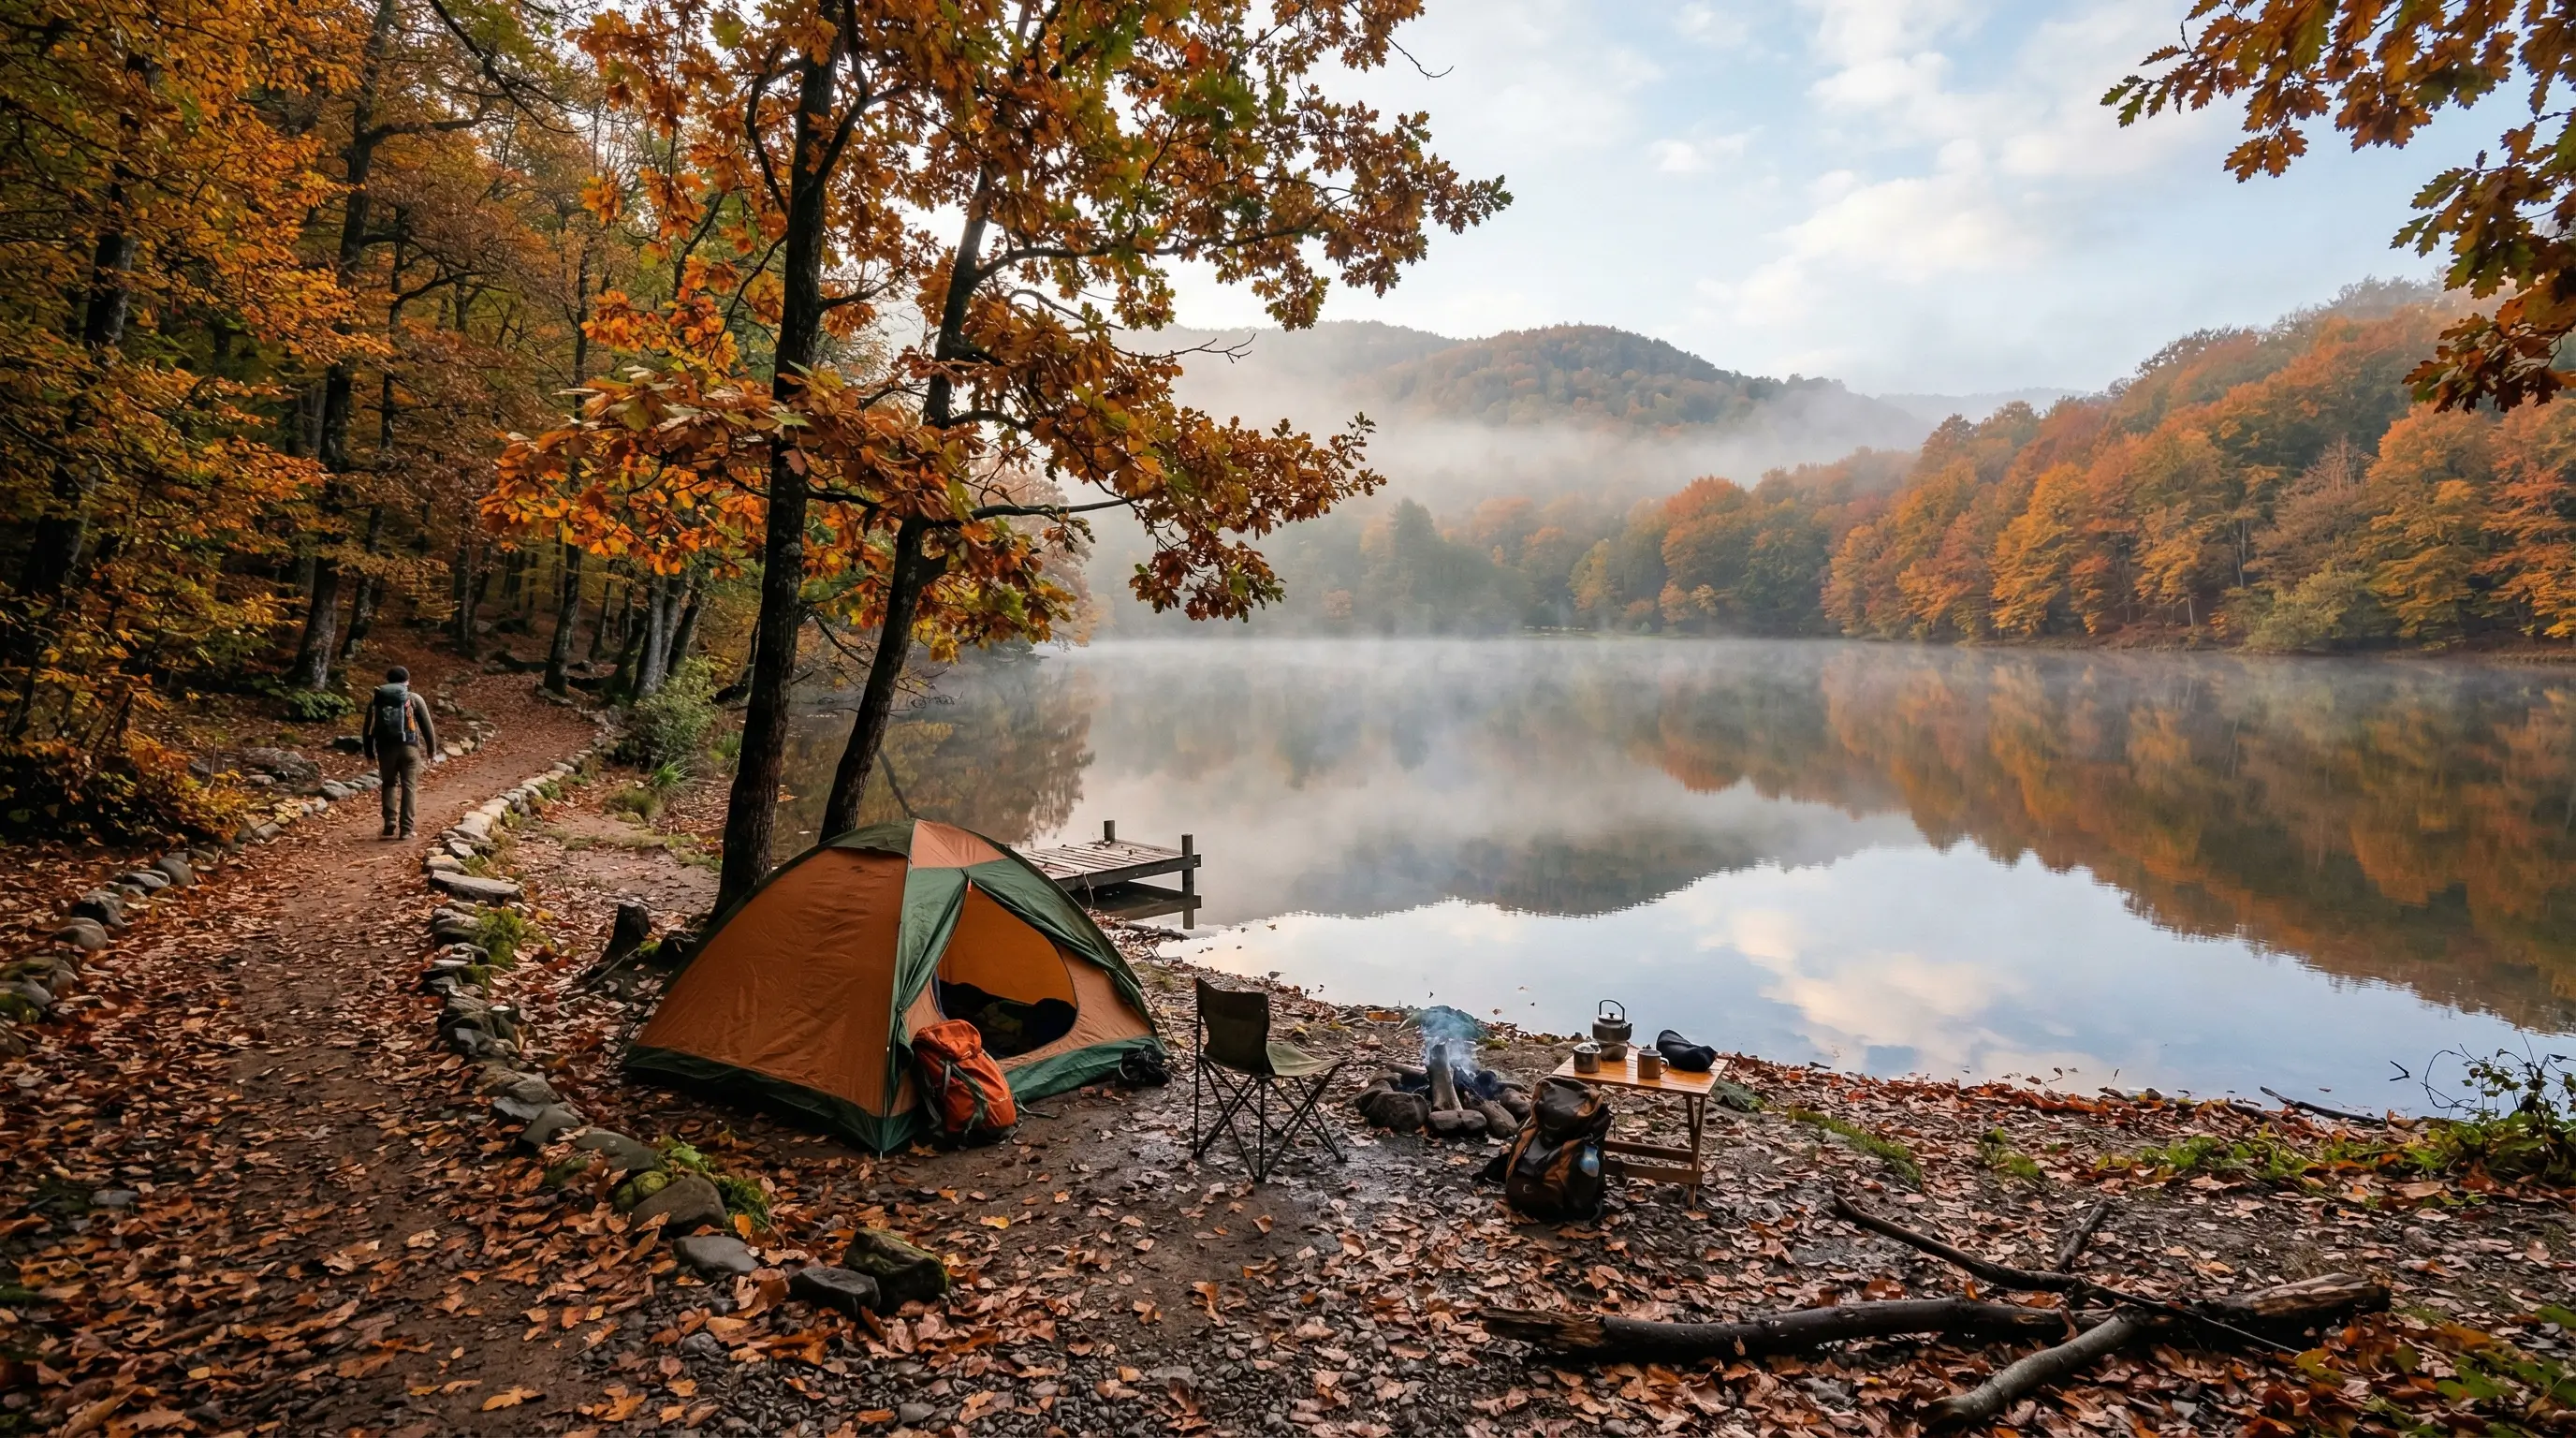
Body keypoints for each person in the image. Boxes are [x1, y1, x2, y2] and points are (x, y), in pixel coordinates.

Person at [360, 666, 440, 839]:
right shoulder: (414, 698)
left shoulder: (377, 699)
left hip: (385, 749)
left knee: (389, 784)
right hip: (409, 748)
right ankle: (406, 829)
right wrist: (432, 751)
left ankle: (389, 822)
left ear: (388, 680)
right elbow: (428, 727)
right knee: (408, 786)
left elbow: (368, 729)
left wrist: (369, 753)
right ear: (408, 680)